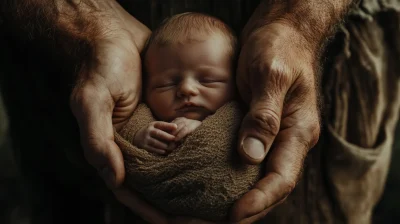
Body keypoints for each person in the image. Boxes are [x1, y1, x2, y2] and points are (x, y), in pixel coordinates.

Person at [0, 0, 399, 223]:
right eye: (163, 83)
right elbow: (131, 129)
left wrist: (298, 23)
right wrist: (140, 135)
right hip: (67, 51)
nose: (187, 90)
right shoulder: (139, 106)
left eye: (209, 82)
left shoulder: (240, 107)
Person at [133, 12, 237, 154]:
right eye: (166, 84)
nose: (187, 89)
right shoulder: (140, 117)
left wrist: (203, 132)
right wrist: (137, 138)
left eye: (208, 80)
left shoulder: (241, 118)